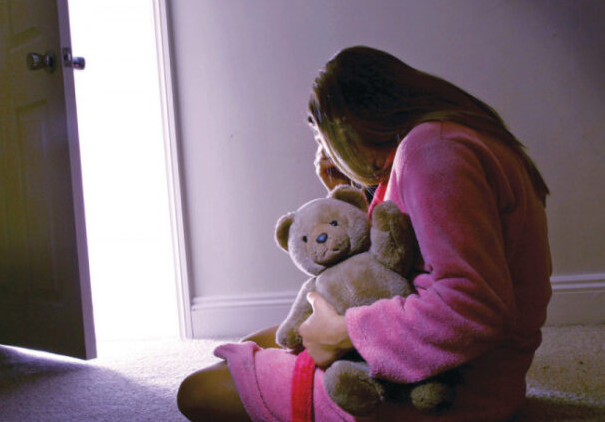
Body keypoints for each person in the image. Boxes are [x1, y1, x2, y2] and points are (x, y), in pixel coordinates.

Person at [177, 46, 552, 422]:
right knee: (258, 342)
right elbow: (401, 256)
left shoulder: (432, 152)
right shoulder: (453, 140)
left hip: (451, 389)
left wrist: (345, 334)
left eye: (322, 138)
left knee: (197, 392)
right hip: (486, 377)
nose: (324, 150)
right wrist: (346, 192)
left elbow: (471, 307)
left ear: (345, 127)